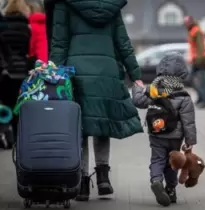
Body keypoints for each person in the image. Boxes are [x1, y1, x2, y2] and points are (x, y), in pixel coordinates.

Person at [44, 0, 144, 201]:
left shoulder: (65, 4)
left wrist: (52, 74)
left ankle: (82, 182)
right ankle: (103, 177)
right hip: (106, 73)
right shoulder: (110, 5)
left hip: (76, 72)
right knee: (101, 124)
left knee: (79, 127)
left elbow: (60, 43)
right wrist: (135, 74)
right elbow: (122, 42)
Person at [132, 52, 197, 206]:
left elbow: (138, 101)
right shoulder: (183, 95)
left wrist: (137, 87)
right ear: (182, 72)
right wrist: (190, 141)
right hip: (175, 137)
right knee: (172, 163)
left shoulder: (153, 90)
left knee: (157, 159)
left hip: (156, 134)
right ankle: (171, 190)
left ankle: (156, 180)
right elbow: (188, 121)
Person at [0, 0, 31, 137]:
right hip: (21, 70)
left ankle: (4, 131)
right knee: (19, 103)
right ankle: (17, 134)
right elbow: (28, 49)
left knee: (5, 102)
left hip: (5, 70)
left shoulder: (2, 26)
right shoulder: (25, 28)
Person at [184, 16, 205, 109]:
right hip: (195, 60)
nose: (186, 24)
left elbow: (201, 47)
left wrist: (199, 60)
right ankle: (201, 98)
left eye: (187, 22)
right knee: (193, 80)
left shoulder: (197, 31)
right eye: (185, 23)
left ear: (192, 22)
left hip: (200, 60)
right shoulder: (192, 31)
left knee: (202, 82)